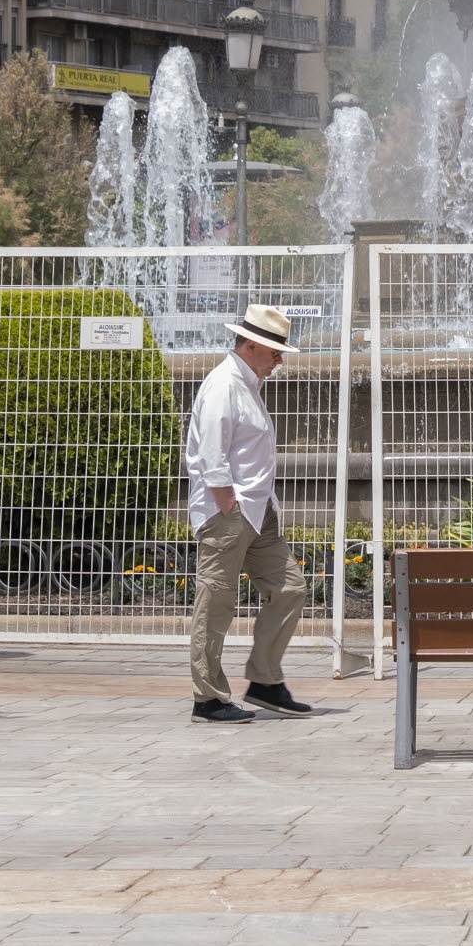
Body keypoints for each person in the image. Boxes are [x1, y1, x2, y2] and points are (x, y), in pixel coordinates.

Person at [183, 303, 312, 723]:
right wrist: (225, 503)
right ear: (253, 346)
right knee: (216, 602)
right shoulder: (224, 385)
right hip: (232, 511)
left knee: (290, 587)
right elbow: (211, 455)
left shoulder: (247, 383)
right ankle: (208, 697)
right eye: (275, 353)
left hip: (258, 511)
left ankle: (264, 680)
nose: (279, 362)